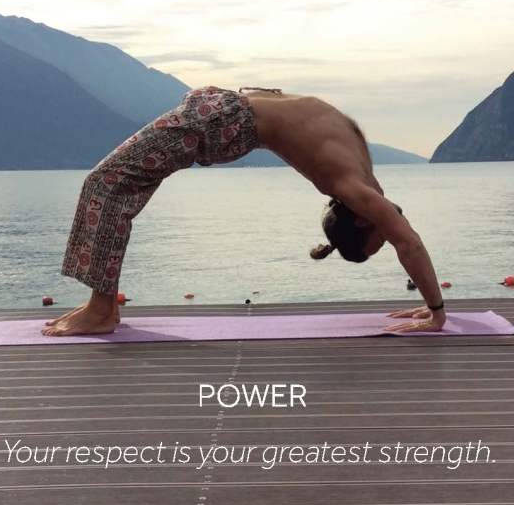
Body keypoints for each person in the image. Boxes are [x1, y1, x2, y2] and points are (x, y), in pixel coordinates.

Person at [44, 85, 447, 336]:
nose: (389, 230)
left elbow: (404, 238)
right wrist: (437, 312)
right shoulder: (356, 185)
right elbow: (408, 242)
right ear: (362, 219)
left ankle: (102, 308)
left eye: (380, 237)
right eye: (380, 239)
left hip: (223, 116)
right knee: (110, 183)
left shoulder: (357, 181)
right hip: (223, 115)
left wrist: (432, 306)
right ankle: (102, 307)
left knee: (107, 183)